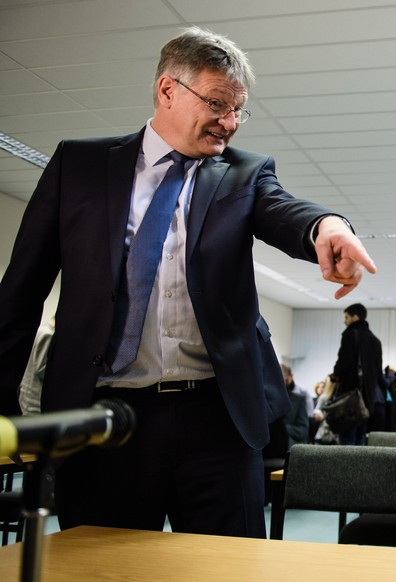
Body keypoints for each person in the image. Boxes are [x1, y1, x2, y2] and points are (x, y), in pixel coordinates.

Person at [0, 27, 376, 539]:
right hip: (103, 417)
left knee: (228, 568)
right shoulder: (80, 166)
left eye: (239, 109)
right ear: (167, 90)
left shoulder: (243, 174)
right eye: (218, 103)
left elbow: (285, 210)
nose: (230, 123)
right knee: (104, 569)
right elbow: (19, 295)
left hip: (216, 419)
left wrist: (327, 227)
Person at [332, 303, 385, 445]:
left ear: (355, 317)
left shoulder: (350, 334)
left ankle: (346, 468)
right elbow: (379, 372)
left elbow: (343, 363)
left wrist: (335, 374)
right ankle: (359, 467)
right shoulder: (376, 341)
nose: (345, 321)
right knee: (361, 437)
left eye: (346, 317)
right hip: (368, 400)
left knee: (347, 438)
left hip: (350, 397)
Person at [17, 316, 55, 414]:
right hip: (34, 400)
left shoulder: (43, 329)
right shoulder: (49, 334)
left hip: (27, 394)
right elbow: (41, 369)